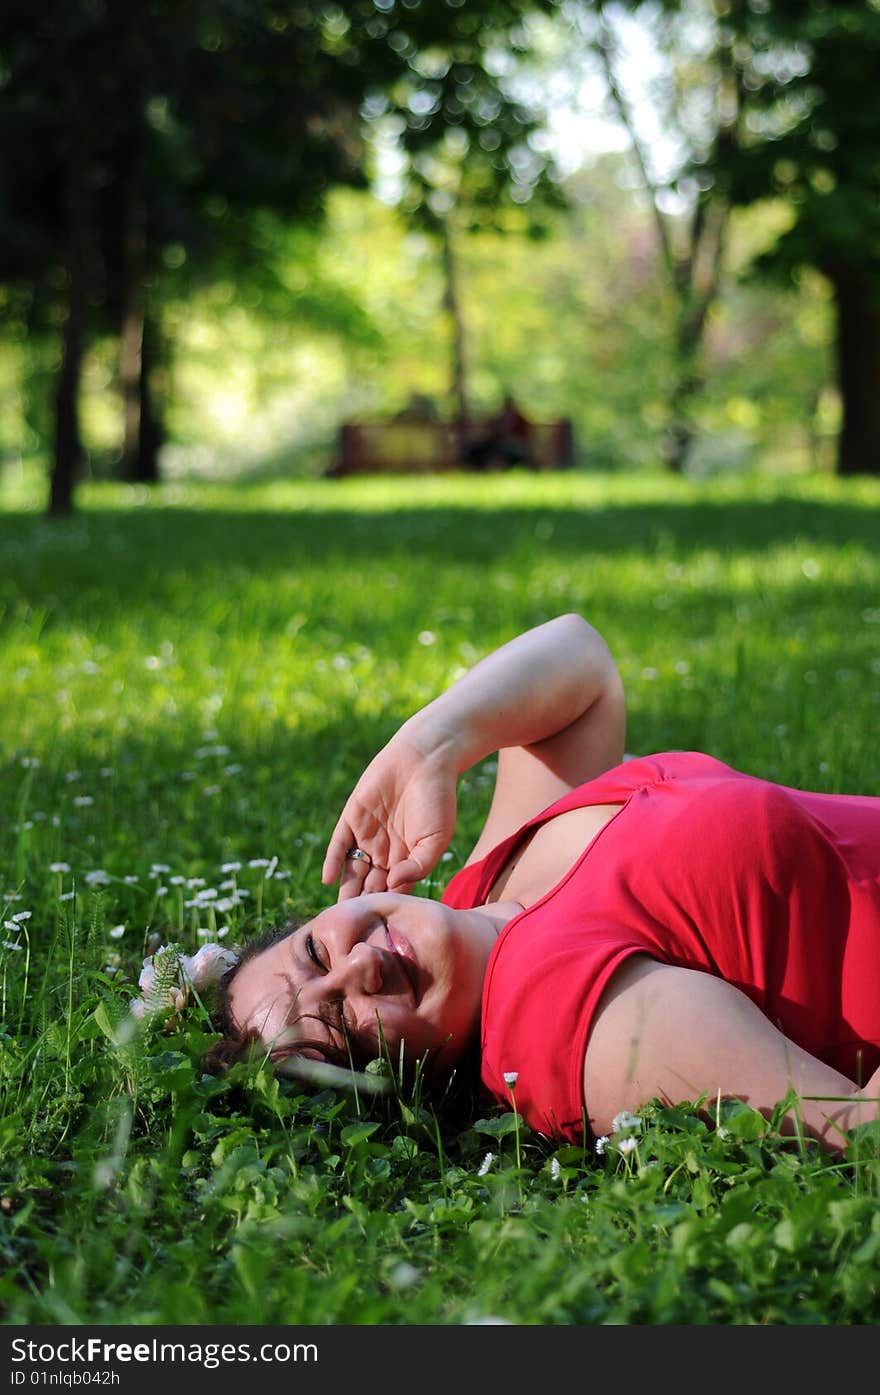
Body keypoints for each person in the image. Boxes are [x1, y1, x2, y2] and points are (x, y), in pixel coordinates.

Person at [216, 614, 880, 1154]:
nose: (360, 963)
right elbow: (860, 1129)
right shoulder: (562, 1022)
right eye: (344, 1027)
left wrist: (429, 744)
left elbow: (581, 662)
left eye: (315, 953)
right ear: (399, 1086)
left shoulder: (486, 893)